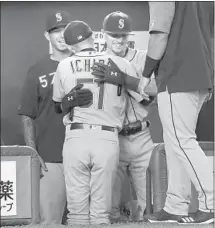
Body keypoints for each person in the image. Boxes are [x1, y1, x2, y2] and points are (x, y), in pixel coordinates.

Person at [92, 2, 214, 224]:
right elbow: (209, 37)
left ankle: (211, 204)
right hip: (198, 75)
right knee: (176, 144)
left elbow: (159, 36)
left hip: (178, 76)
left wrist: (146, 73)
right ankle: (176, 205)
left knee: (183, 141)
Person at [52, 20, 149, 226]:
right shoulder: (121, 63)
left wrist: (68, 102)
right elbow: (147, 96)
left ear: (69, 46)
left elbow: (57, 106)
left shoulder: (63, 65)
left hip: (76, 136)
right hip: (107, 137)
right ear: (93, 38)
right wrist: (123, 79)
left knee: (76, 213)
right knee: (101, 215)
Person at [17, 11, 92, 224]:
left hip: (87, 154)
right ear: (46, 35)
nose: (61, 35)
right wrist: (33, 154)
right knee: (49, 222)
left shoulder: (87, 64)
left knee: (88, 220)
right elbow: (26, 115)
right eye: (55, 30)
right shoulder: (37, 71)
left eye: (65, 29)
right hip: (51, 158)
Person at [94, 11, 156, 222]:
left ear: (130, 36)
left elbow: (153, 92)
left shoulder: (142, 58)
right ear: (103, 34)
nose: (119, 40)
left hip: (141, 136)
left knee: (152, 205)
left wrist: (125, 79)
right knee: (109, 209)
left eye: (123, 35)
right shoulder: (96, 60)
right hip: (112, 138)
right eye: (114, 35)